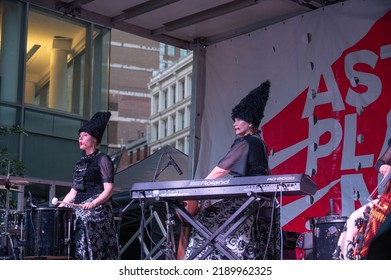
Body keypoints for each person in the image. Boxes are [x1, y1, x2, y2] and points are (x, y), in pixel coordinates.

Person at [177, 80, 280, 260]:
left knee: (204, 220)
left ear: (251, 122)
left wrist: (197, 189)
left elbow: (220, 171)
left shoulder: (246, 142)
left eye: (239, 119)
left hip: (249, 202)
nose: (235, 123)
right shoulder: (260, 143)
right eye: (234, 119)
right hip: (262, 203)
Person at [59, 111, 119, 260]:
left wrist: (93, 203)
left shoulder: (103, 159)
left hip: (98, 208)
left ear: (94, 139)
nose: (80, 138)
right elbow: (73, 192)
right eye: (79, 135)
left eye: (84, 135)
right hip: (80, 205)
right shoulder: (79, 163)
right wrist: (60, 208)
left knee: (81, 219)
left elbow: (109, 189)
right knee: (64, 219)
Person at [333, 138, 391, 260]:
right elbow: (379, 163)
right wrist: (384, 167)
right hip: (387, 197)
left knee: (377, 221)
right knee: (355, 217)